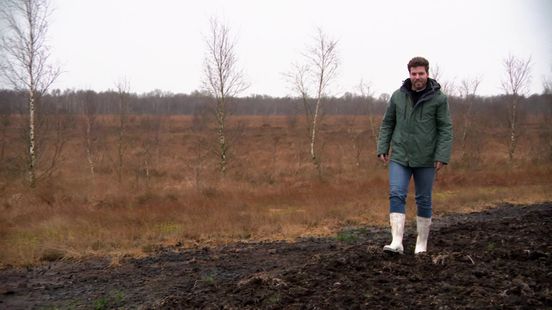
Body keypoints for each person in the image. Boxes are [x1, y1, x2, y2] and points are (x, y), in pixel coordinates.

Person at [376, 56, 453, 255]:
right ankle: (396, 242)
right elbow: (387, 123)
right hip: (401, 156)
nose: (417, 77)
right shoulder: (397, 96)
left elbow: (445, 128)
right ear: (409, 74)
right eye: (413, 73)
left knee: (424, 199)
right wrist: (382, 146)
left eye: (421, 73)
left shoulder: (439, 98)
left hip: (426, 158)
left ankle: (421, 244)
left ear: (427, 73)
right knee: (396, 194)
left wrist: (442, 155)